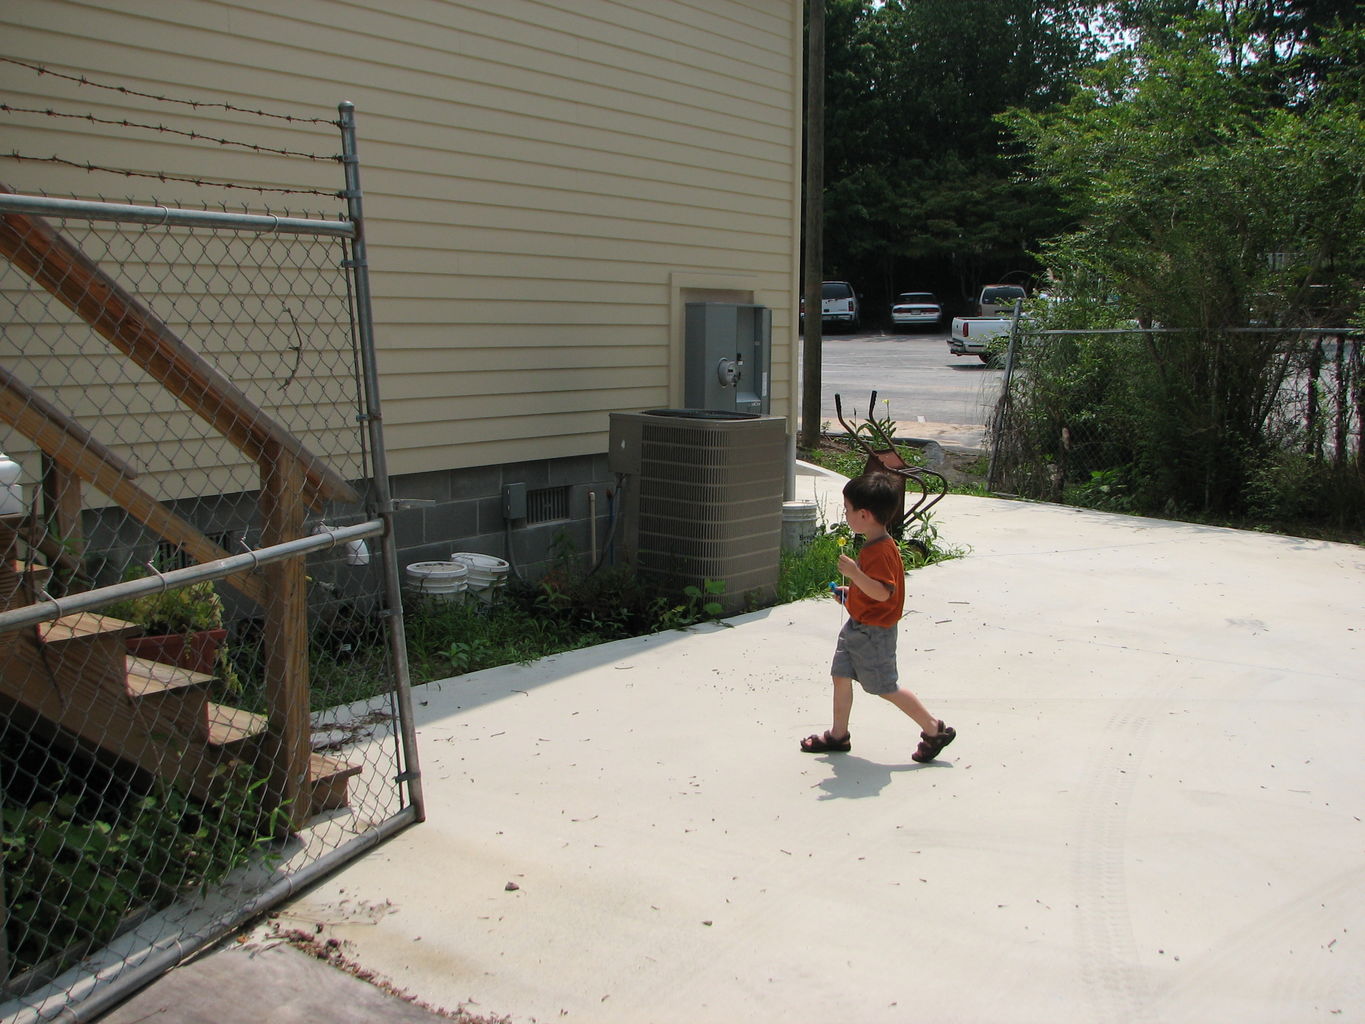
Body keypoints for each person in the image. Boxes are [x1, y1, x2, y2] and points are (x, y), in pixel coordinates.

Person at [799, 471, 955, 762]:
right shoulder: (875, 544)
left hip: (875, 634)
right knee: (840, 675)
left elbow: (884, 593)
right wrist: (852, 592)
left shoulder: (880, 551)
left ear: (864, 515)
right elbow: (873, 591)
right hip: (857, 627)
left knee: (885, 687)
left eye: (847, 510)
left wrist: (855, 574)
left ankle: (934, 729)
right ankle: (838, 735)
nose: (845, 515)